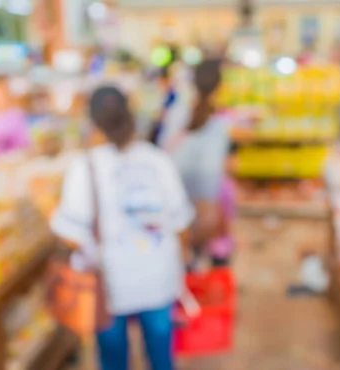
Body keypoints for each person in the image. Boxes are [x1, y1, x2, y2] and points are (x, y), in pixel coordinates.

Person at [50, 86, 194, 370]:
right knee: (161, 356)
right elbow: (181, 222)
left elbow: (70, 234)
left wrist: (46, 207)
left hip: (110, 284)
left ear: (91, 121)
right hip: (158, 277)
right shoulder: (156, 160)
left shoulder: (84, 167)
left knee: (113, 358)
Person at [161, 60, 232, 266]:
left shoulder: (177, 112)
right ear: (219, 87)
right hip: (198, 206)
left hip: (174, 201)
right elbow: (210, 177)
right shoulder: (218, 125)